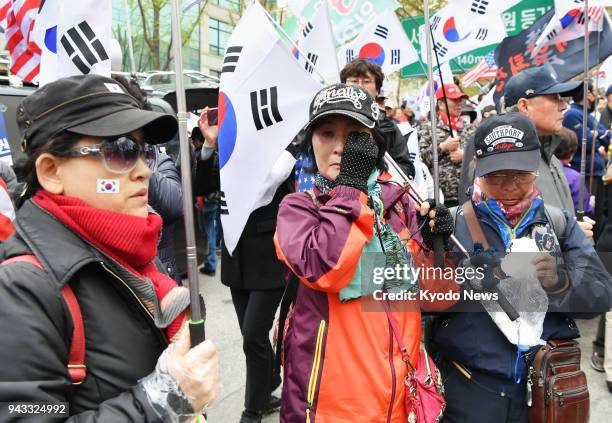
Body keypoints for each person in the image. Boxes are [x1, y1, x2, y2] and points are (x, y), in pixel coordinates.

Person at [0, 75, 219, 421]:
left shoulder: (132, 249)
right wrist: (160, 402)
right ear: (51, 171)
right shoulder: (21, 289)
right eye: (119, 151)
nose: (145, 170)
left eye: (144, 150)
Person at [275, 83, 458, 422]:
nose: (340, 147)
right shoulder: (298, 209)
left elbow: (436, 296)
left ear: (375, 144)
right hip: (333, 407)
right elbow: (324, 268)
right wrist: (351, 189)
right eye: (327, 133)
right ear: (310, 142)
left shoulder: (401, 204)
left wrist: (438, 247)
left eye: (355, 136)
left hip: (403, 399)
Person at [433, 112, 612, 423]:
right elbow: (411, 297)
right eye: (496, 175)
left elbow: (600, 295)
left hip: (546, 389)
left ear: (534, 168)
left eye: (520, 173)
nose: (509, 185)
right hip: (469, 390)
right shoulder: (450, 227)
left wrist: (559, 282)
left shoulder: (558, 223)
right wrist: (426, 254)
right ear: (478, 170)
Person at [340, 58, 415, 178]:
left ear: (377, 90)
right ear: (343, 86)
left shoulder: (389, 128)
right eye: (354, 81)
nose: (360, 86)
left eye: (366, 81)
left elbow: (406, 169)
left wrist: (378, 170)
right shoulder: (331, 120)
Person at [418, 83, 477, 207]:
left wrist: (466, 155)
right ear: (441, 104)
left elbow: (482, 155)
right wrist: (442, 147)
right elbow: (420, 160)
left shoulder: (471, 129)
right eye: (454, 100)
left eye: (460, 100)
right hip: (441, 198)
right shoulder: (427, 129)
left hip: (470, 194)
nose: (459, 104)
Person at [563, 80, 612, 199]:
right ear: (588, 94)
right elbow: (588, 142)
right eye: (595, 91)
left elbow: (608, 137)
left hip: (597, 173)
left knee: (598, 215)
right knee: (588, 214)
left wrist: (596, 133)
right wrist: (598, 134)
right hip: (585, 174)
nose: (597, 96)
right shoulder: (572, 114)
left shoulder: (589, 116)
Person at [192, 121, 220, 277]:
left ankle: (210, 262)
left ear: (197, 140)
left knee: (207, 231)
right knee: (211, 230)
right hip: (215, 198)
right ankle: (211, 261)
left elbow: (197, 180)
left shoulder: (198, 156)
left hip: (203, 199)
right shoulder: (217, 155)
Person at [554, 127, 595, 218]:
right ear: (572, 151)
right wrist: (591, 206)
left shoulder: (538, 171)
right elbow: (584, 211)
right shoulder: (575, 178)